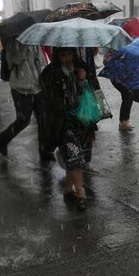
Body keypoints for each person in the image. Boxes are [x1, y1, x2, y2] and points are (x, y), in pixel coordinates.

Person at [39, 47, 96, 211]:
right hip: (61, 122)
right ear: (57, 55)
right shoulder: (50, 73)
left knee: (75, 157)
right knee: (74, 156)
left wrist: (82, 80)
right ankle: (81, 195)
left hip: (80, 120)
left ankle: (67, 189)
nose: (67, 58)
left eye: (69, 54)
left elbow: (86, 92)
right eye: (63, 54)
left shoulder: (80, 68)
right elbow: (47, 99)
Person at [0, 40, 47, 157]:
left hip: (37, 86)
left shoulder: (35, 41)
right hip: (21, 88)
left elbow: (42, 61)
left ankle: (44, 151)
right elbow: (12, 61)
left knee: (43, 120)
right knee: (23, 120)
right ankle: (3, 138)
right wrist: (23, 48)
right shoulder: (12, 43)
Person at [103, 49, 134, 131]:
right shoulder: (113, 48)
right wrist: (119, 59)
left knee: (128, 95)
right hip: (115, 75)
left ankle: (124, 120)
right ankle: (124, 120)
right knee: (126, 93)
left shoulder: (127, 47)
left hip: (124, 74)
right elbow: (105, 62)